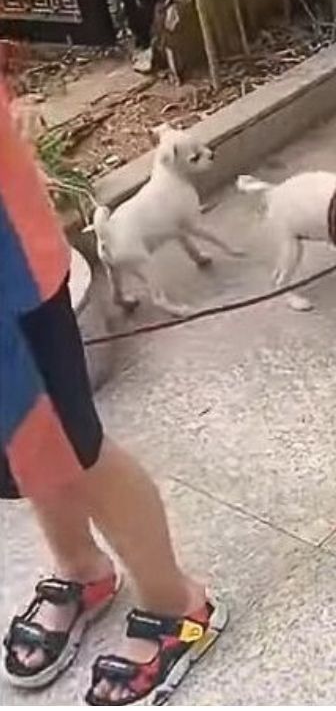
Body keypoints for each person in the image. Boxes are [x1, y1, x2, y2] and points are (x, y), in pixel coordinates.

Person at [0, 76, 226, 705]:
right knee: (18, 449)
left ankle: (176, 600)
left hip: (7, 268)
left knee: (74, 443)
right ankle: (81, 567)